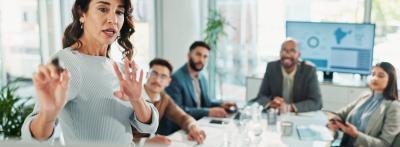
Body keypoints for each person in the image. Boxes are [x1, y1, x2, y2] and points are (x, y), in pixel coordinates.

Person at [21, 0, 158, 144]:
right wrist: (47, 116)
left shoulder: (119, 68)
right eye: (103, 9)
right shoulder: (65, 62)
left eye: (119, 12)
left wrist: (137, 100)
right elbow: (34, 139)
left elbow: (150, 126)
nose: (113, 20)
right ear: (82, 13)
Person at [132, 58, 206, 145]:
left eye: (163, 76)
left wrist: (193, 127)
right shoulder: (133, 95)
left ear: (168, 82)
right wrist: (145, 141)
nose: (157, 80)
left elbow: (183, 117)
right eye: (154, 73)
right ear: (147, 75)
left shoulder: (164, 98)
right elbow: (117, 134)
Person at [327, 62, 400, 147]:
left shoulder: (394, 106)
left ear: (390, 80)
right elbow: (339, 114)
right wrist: (334, 121)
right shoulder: (365, 97)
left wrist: (356, 135)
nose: (375, 78)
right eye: (373, 74)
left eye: (380, 76)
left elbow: (385, 144)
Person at [165, 41, 236, 120]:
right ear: (189, 55)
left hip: (200, 122)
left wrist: (222, 105)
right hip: (181, 127)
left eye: (205, 56)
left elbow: (206, 103)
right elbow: (178, 111)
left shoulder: (202, 77)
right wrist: (208, 112)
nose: (201, 59)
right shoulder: (176, 78)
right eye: (198, 54)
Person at [252, 38, 322, 112]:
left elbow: (316, 102)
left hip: (299, 115)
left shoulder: (309, 70)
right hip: (277, 114)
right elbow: (261, 96)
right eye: (284, 50)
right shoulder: (272, 67)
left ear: (298, 55)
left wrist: (290, 107)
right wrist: (271, 103)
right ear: (280, 53)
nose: (287, 54)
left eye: (292, 51)